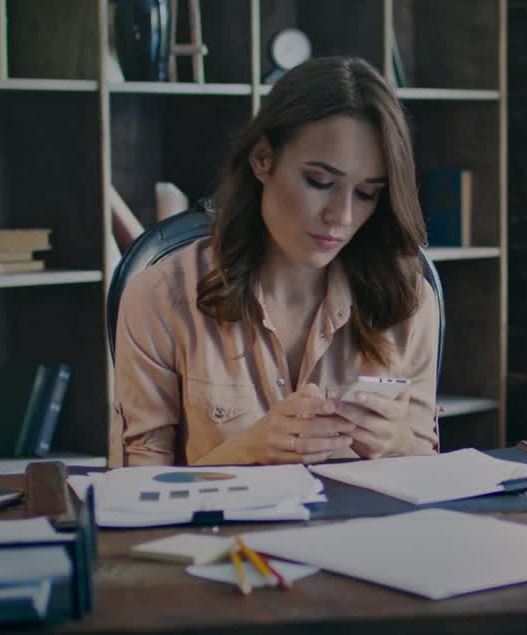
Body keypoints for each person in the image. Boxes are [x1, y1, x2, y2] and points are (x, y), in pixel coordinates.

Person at [112, 56, 439, 467]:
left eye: (367, 193)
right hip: (219, 533)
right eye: (320, 182)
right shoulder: (159, 297)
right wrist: (248, 451)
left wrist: (400, 445)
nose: (342, 216)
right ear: (262, 159)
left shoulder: (407, 300)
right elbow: (134, 488)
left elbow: (429, 474)